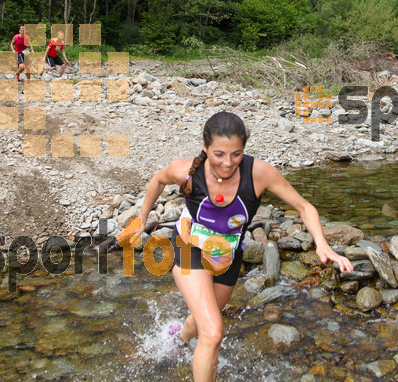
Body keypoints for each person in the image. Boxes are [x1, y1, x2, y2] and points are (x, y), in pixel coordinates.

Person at [122, 112, 353, 382]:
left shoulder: (259, 174)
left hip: (227, 257)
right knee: (213, 332)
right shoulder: (185, 171)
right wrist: (141, 218)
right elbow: (158, 180)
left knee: (202, 322)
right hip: (189, 248)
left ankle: (180, 337)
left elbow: (304, 206)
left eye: (236, 154)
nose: (227, 163)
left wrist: (323, 244)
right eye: (219, 154)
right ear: (205, 147)